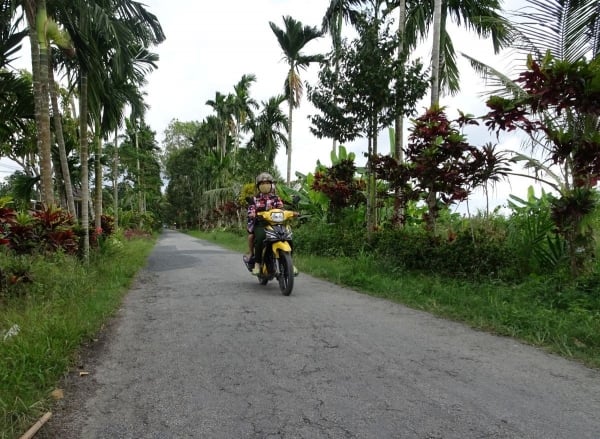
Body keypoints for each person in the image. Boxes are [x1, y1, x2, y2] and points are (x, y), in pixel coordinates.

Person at [245, 172, 284, 275]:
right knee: (261, 238)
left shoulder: (276, 198)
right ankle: (257, 263)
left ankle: (288, 261)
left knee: (286, 236)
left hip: (276, 224)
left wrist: (291, 213)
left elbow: (281, 208)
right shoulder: (254, 199)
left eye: (267, 183)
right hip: (261, 224)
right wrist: (253, 214)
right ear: (258, 186)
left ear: (271, 185)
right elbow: (251, 210)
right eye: (262, 183)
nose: (265, 185)